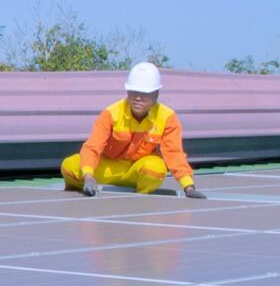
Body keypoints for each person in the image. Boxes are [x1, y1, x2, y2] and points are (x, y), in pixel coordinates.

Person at [64, 62, 201, 198]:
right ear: (127, 91)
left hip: (138, 172)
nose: (137, 98)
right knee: (69, 166)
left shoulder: (167, 118)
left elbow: (174, 154)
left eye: (144, 94)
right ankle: (86, 185)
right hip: (109, 169)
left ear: (155, 95)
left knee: (155, 170)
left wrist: (188, 187)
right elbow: (92, 147)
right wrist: (88, 176)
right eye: (133, 92)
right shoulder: (111, 113)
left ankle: (139, 197)